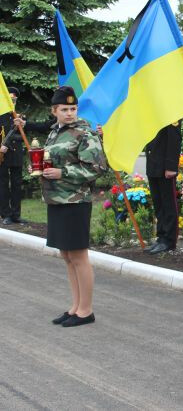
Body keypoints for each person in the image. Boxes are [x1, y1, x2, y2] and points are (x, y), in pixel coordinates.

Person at [42, 86, 107, 327]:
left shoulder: (84, 133)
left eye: (73, 108)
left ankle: (86, 310)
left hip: (75, 201)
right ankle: (75, 306)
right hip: (56, 200)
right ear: (54, 111)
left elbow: (97, 168)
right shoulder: (54, 133)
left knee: (78, 256)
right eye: (64, 109)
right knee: (66, 255)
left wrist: (62, 172)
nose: (70, 113)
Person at [145, 122, 182, 254]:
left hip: (165, 165)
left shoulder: (169, 109)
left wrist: (171, 166)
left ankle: (169, 240)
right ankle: (161, 237)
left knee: (168, 204)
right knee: (158, 204)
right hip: (153, 163)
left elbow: (174, 137)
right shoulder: (152, 110)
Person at [0, 87, 27, 224]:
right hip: (2, 155)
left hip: (16, 154)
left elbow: (23, 136)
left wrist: (13, 138)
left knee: (17, 184)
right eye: (10, 99)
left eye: (14, 99)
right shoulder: (0, 115)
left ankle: (16, 214)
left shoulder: (20, 117)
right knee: (3, 184)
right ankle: (5, 214)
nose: (12, 101)